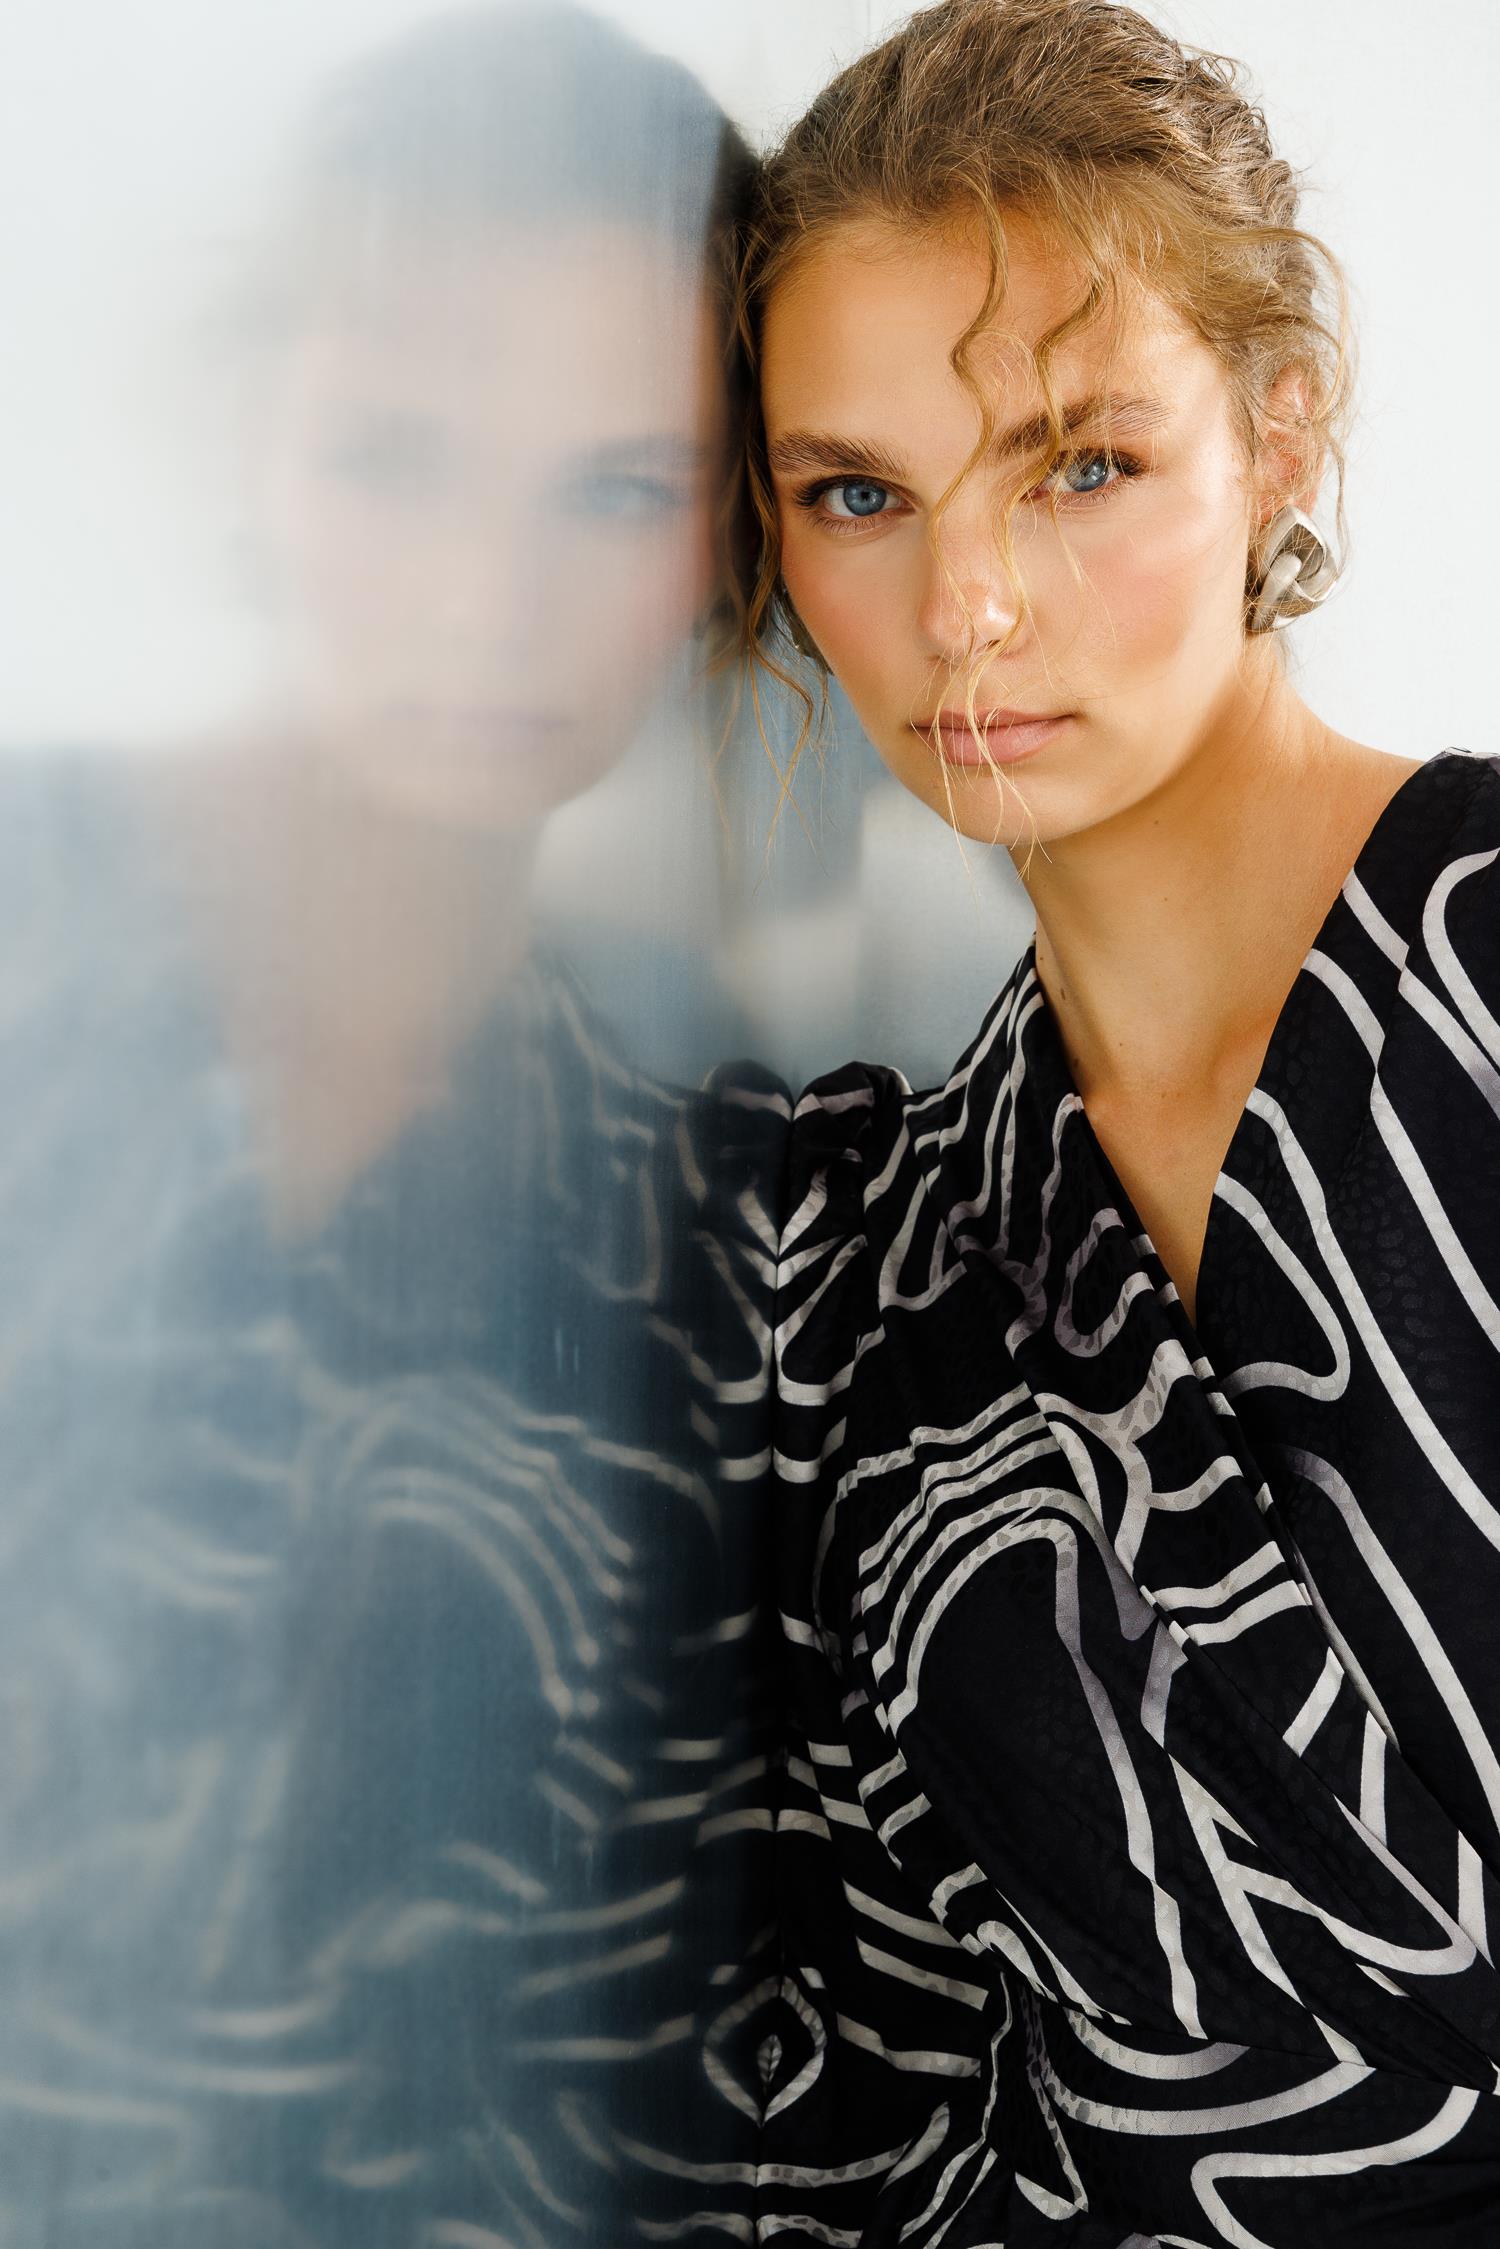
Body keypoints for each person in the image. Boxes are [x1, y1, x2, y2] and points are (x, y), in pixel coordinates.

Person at [729, 2, 1500, 2242]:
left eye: (1078, 465)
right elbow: (888, 2062)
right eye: (858, 495)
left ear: (1281, 431)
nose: (963, 609)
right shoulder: (875, 1259)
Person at [0, 9, 771, 2243]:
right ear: (251, 434)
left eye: (617, 486)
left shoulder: (712, 1175)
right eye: (394, 456)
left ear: (736, 538)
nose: (483, 600)